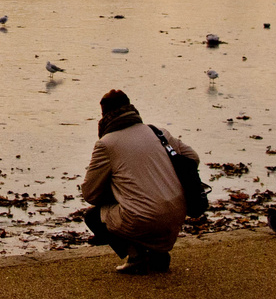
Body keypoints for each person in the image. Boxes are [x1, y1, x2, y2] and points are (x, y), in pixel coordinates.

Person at [80, 88, 200, 274]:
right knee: (145, 207)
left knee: (93, 217)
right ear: (130, 108)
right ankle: (158, 254)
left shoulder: (106, 143)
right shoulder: (159, 132)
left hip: (144, 219)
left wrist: (117, 191)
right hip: (177, 212)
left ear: (104, 114)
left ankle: (136, 256)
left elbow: (90, 193)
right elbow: (193, 158)